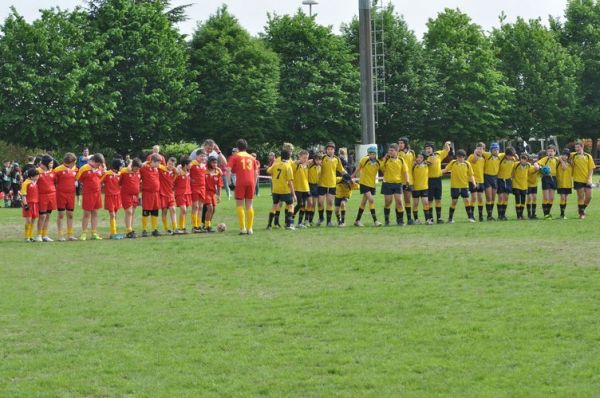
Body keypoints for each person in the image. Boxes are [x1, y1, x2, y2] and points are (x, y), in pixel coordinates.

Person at [227, 139, 258, 235]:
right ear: (246, 147)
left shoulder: (235, 157)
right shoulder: (252, 158)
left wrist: (229, 183)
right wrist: (254, 184)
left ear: (237, 147)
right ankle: (250, 229)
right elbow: (256, 173)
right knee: (249, 205)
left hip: (241, 182)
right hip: (251, 182)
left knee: (239, 205)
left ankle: (243, 228)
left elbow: (228, 170)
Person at [76, 153, 105, 240]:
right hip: (88, 194)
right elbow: (78, 178)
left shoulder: (100, 168)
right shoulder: (84, 168)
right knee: (87, 213)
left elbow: (101, 177)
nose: (99, 166)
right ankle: (84, 233)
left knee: (95, 213)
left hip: (97, 194)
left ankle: (94, 233)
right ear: (94, 161)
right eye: (98, 164)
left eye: (100, 164)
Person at [317, 142, 347, 227]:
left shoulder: (337, 159)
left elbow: (341, 170)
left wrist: (348, 176)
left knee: (330, 203)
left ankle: (329, 222)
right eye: (328, 149)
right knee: (320, 203)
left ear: (334, 150)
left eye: (331, 149)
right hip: (322, 184)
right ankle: (321, 218)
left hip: (332, 184)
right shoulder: (322, 158)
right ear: (326, 150)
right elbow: (314, 162)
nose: (330, 151)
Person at [352, 145, 382, 227]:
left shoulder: (378, 162)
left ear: (375, 154)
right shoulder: (364, 160)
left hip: (372, 184)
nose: (372, 155)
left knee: (363, 202)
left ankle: (357, 221)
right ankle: (375, 221)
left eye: (373, 153)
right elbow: (358, 169)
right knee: (371, 200)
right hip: (364, 183)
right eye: (370, 153)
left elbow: (384, 169)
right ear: (368, 154)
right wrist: (352, 177)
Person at [444, 149, 476, 223]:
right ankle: (450, 218)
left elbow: (471, 175)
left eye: (462, 157)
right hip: (454, 186)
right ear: (456, 157)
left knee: (467, 201)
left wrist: (474, 183)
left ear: (464, 157)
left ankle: (470, 217)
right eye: (459, 157)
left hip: (464, 186)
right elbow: (445, 170)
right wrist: (437, 172)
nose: (460, 158)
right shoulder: (453, 163)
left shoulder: (467, 164)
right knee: (454, 202)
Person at [381, 144, 409, 226]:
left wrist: (407, 180)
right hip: (387, 184)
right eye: (389, 150)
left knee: (399, 202)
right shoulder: (386, 160)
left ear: (397, 151)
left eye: (392, 150)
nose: (390, 152)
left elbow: (405, 171)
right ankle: (387, 220)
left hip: (397, 184)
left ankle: (400, 221)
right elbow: (382, 169)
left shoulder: (401, 160)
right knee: (388, 203)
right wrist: (384, 160)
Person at [266, 150, 295, 230]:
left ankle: (269, 225)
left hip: (275, 189)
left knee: (274, 206)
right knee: (291, 206)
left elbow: (268, 171)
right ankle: (289, 225)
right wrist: (293, 194)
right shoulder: (288, 166)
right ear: (289, 157)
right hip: (285, 190)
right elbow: (290, 181)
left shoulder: (275, 164)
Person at [425, 141, 451, 224]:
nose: (428, 150)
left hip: (438, 180)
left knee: (438, 199)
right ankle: (430, 218)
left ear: (433, 148)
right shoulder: (425, 157)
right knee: (429, 200)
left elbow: (447, 150)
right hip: (429, 180)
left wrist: (446, 143)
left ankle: (439, 218)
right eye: (426, 149)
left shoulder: (438, 154)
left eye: (429, 148)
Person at [54, 153, 78, 241]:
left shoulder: (76, 169)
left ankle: (70, 235)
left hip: (71, 194)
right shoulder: (57, 170)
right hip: (61, 194)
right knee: (61, 214)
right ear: (70, 162)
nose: (75, 164)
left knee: (70, 214)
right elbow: (54, 181)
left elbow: (77, 178)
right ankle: (60, 235)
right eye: (74, 162)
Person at [570, 140, 596, 219]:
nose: (576, 148)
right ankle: (581, 214)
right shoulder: (572, 155)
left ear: (582, 147)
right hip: (577, 179)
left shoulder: (588, 156)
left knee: (589, 197)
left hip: (587, 180)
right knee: (581, 196)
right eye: (575, 147)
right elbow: (564, 156)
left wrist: (589, 179)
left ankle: (582, 209)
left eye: (578, 147)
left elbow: (591, 169)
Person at [35, 155, 57, 242]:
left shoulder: (52, 172)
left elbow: (55, 181)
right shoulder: (37, 172)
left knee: (48, 216)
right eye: (50, 163)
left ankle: (45, 235)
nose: (52, 164)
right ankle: (38, 235)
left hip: (51, 196)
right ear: (45, 163)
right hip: (42, 196)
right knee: (42, 216)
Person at [140, 154, 162, 237]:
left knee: (155, 211)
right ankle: (144, 230)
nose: (159, 165)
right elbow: (137, 166)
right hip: (147, 193)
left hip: (156, 193)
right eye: (157, 163)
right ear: (152, 161)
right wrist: (145, 162)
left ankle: (154, 229)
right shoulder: (144, 168)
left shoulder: (157, 169)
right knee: (146, 211)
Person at [535, 145, 559, 219]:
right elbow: (536, 164)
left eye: (551, 151)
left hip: (554, 179)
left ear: (555, 152)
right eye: (548, 151)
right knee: (546, 197)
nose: (550, 153)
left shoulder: (557, 159)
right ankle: (546, 214)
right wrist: (538, 167)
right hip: (546, 178)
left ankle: (548, 213)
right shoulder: (545, 159)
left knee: (551, 198)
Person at [120, 158, 142, 238]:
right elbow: (120, 181)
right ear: (132, 166)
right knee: (129, 212)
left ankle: (130, 229)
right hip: (126, 194)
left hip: (135, 195)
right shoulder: (125, 171)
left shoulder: (139, 172)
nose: (137, 170)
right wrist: (130, 164)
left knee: (132, 212)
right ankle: (129, 230)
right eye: (136, 168)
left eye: (138, 169)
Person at [102, 159, 123, 239]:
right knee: (112, 214)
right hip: (109, 197)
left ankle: (113, 233)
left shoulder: (120, 174)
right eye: (121, 165)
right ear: (116, 166)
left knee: (115, 215)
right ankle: (114, 233)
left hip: (118, 197)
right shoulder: (107, 174)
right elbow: (99, 181)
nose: (122, 167)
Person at [398, 137, 416, 225]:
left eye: (401, 143)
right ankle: (400, 219)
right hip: (399, 180)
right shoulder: (396, 153)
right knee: (399, 201)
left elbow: (414, 164)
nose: (400, 145)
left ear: (405, 143)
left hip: (409, 180)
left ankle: (409, 219)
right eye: (399, 143)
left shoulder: (412, 152)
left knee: (408, 200)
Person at [411, 151, 433, 225]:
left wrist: (425, 161)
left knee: (426, 203)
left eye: (420, 157)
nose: (418, 159)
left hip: (424, 188)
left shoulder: (426, 164)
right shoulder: (413, 166)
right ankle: (416, 219)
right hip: (415, 188)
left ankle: (427, 220)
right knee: (415, 204)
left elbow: (431, 162)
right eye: (417, 157)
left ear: (424, 158)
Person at [496, 147, 517, 220]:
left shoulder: (514, 159)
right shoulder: (501, 158)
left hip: (508, 180)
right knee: (501, 197)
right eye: (509, 156)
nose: (510, 157)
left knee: (506, 198)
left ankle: (503, 215)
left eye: (512, 155)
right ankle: (499, 215)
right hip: (500, 179)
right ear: (506, 154)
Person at [483, 143, 502, 221]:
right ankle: (489, 215)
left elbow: (509, 153)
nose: (496, 151)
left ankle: (490, 215)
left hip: (495, 178)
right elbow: (478, 151)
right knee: (489, 197)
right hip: (487, 177)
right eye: (494, 149)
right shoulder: (487, 155)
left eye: (497, 149)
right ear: (491, 150)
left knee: (493, 198)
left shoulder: (500, 156)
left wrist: (515, 156)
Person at [159, 157, 177, 235]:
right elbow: (155, 164)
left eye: (172, 164)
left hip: (170, 194)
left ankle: (175, 228)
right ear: (167, 163)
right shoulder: (161, 169)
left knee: (173, 209)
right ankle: (166, 229)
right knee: (164, 211)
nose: (170, 165)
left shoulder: (175, 172)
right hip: (162, 194)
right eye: (169, 163)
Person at [512, 153, 534, 220]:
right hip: (516, 185)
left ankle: (521, 215)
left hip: (524, 186)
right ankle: (518, 216)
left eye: (524, 159)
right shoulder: (516, 164)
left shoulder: (529, 165)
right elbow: (511, 172)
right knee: (518, 201)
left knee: (523, 202)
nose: (523, 161)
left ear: (527, 160)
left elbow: (533, 171)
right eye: (522, 159)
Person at [467, 143, 486, 221]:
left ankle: (481, 216)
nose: (479, 150)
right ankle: (471, 215)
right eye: (478, 148)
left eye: (481, 149)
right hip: (473, 180)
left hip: (481, 180)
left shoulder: (483, 158)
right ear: (475, 149)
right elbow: (473, 161)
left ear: (483, 150)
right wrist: (475, 154)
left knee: (480, 199)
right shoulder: (471, 156)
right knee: (474, 198)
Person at [190, 150, 207, 233]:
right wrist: (190, 179)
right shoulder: (192, 163)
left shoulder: (204, 166)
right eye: (201, 156)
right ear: (197, 156)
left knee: (201, 207)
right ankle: (194, 226)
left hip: (203, 188)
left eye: (204, 156)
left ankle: (199, 225)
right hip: (195, 188)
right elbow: (183, 169)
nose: (203, 158)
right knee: (195, 206)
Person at [20, 168, 39, 242]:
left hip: (35, 204)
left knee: (33, 220)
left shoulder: (35, 183)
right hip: (29, 204)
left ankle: (30, 236)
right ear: (31, 176)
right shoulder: (26, 183)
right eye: (36, 176)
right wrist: (25, 205)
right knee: (28, 220)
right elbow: (23, 195)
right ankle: (26, 236)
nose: (38, 177)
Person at [204, 156, 223, 232]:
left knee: (214, 209)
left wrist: (219, 196)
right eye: (213, 162)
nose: (215, 164)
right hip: (205, 192)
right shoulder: (204, 170)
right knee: (210, 208)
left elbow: (219, 185)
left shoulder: (217, 172)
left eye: (216, 162)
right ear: (209, 163)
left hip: (212, 193)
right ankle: (206, 227)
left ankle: (209, 224)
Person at [174, 156, 192, 234]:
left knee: (185, 211)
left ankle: (183, 227)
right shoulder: (178, 172)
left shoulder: (188, 172)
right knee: (183, 210)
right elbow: (173, 182)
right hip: (180, 194)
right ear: (185, 165)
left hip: (187, 193)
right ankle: (181, 227)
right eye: (189, 164)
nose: (191, 165)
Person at [292, 150, 310, 228]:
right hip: (298, 188)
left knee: (304, 206)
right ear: (300, 157)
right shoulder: (296, 164)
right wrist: (297, 162)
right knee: (300, 204)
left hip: (306, 188)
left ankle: (299, 223)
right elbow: (292, 165)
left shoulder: (307, 165)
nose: (305, 159)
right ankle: (291, 219)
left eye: (306, 158)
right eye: (303, 158)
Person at [557, 149, 574, 219]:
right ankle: (562, 214)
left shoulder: (570, 164)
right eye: (563, 155)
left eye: (566, 155)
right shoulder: (558, 162)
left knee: (566, 199)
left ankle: (563, 213)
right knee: (562, 198)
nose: (564, 157)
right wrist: (561, 160)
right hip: (561, 184)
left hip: (568, 184)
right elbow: (564, 168)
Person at [526, 154, 541, 219]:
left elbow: (541, 174)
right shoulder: (529, 167)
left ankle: (533, 214)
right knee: (529, 198)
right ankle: (529, 214)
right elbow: (535, 169)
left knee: (534, 198)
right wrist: (538, 168)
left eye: (535, 159)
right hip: (528, 185)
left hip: (534, 185)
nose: (534, 160)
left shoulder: (538, 166)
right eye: (532, 159)